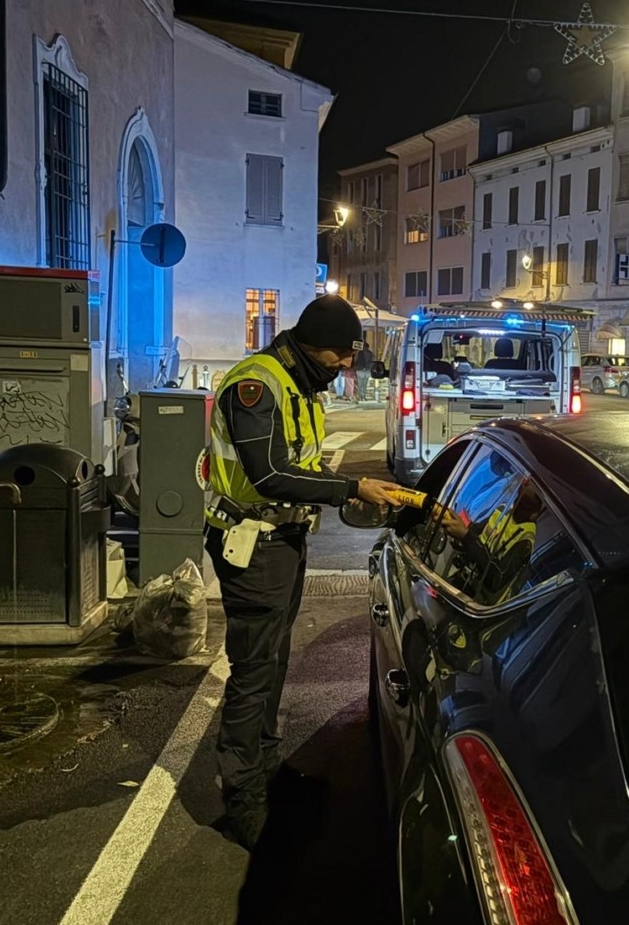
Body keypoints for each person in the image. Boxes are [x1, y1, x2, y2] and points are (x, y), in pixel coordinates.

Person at [204, 295, 404, 849]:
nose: (347, 364)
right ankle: (243, 798)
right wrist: (350, 487)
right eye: (341, 354)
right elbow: (268, 473)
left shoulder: (300, 385)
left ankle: (267, 768)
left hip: (284, 539)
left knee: (274, 659)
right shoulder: (257, 385)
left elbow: (302, 464)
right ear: (313, 346)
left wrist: (348, 494)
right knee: (253, 670)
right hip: (252, 543)